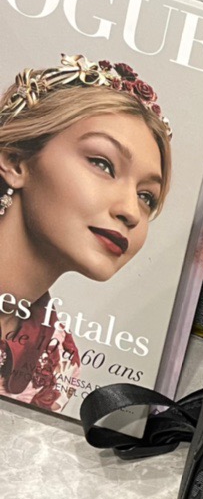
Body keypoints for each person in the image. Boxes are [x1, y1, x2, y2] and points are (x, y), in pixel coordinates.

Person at [0, 53, 172, 413]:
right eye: (102, 164)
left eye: (147, 197)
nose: (131, 212)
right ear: (15, 159)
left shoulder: (58, 359)